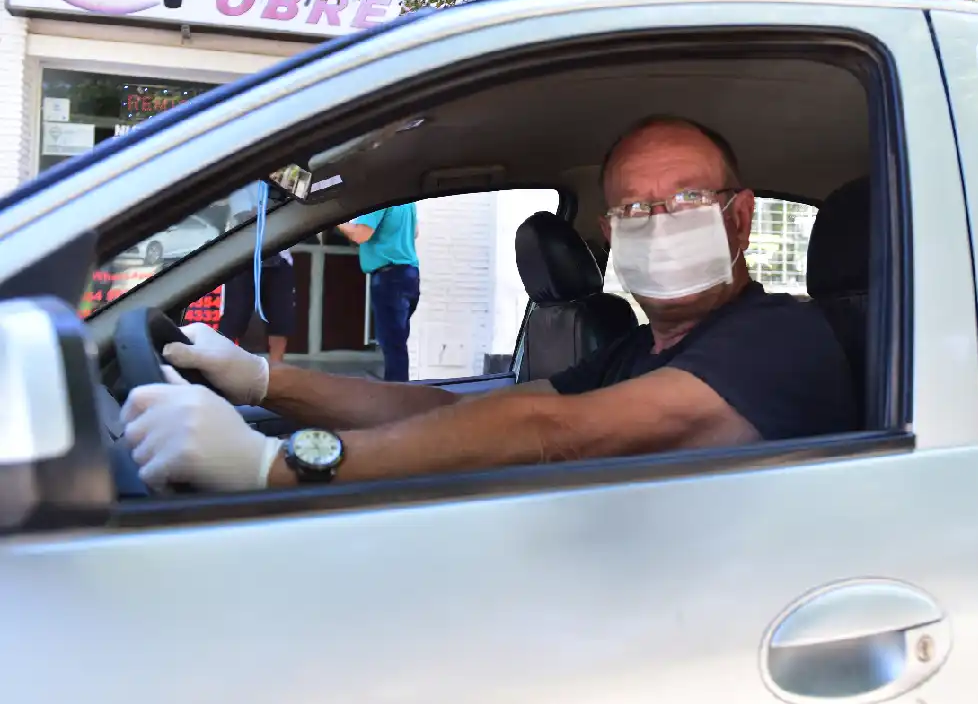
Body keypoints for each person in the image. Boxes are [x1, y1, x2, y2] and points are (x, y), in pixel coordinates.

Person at [120, 116, 857, 492]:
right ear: (610, 233)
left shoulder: (782, 338)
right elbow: (445, 413)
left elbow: (552, 430)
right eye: (635, 208)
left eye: (688, 199)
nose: (660, 224)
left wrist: (275, 466)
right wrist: (262, 380)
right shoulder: (637, 351)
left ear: (740, 218)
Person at [336, 204, 420, 381]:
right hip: (410, 275)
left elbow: (360, 235)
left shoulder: (379, 200)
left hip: (390, 278)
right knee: (397, 343)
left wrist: (337, 222)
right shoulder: (408, 201)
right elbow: (415, 232)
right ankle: (400, 391)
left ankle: (397, 394)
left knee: (393, 347)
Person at [217, 183, 296, 364]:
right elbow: (247, 218)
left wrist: (268, 212)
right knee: (234, 318)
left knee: (281, 319)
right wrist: (274, 213)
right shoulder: (244, 182)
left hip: (279, 257)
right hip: (242, 258)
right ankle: (220, 363)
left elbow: (294, 213)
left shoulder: (285, 180)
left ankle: (276, 369)